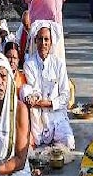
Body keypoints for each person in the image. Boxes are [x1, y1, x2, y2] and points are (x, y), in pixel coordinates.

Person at [22, 21, 74, 149]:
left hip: (56, 113)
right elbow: (33, 91)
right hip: (37, 114)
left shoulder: (59, 64)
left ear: (51, 42)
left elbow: (65, 95)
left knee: (68, 142)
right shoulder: (29, 64)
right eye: (40, 39)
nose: (43, 43)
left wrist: (48, 104)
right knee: (34, 144)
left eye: (46, 39)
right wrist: (35, 102)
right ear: (35, 41)